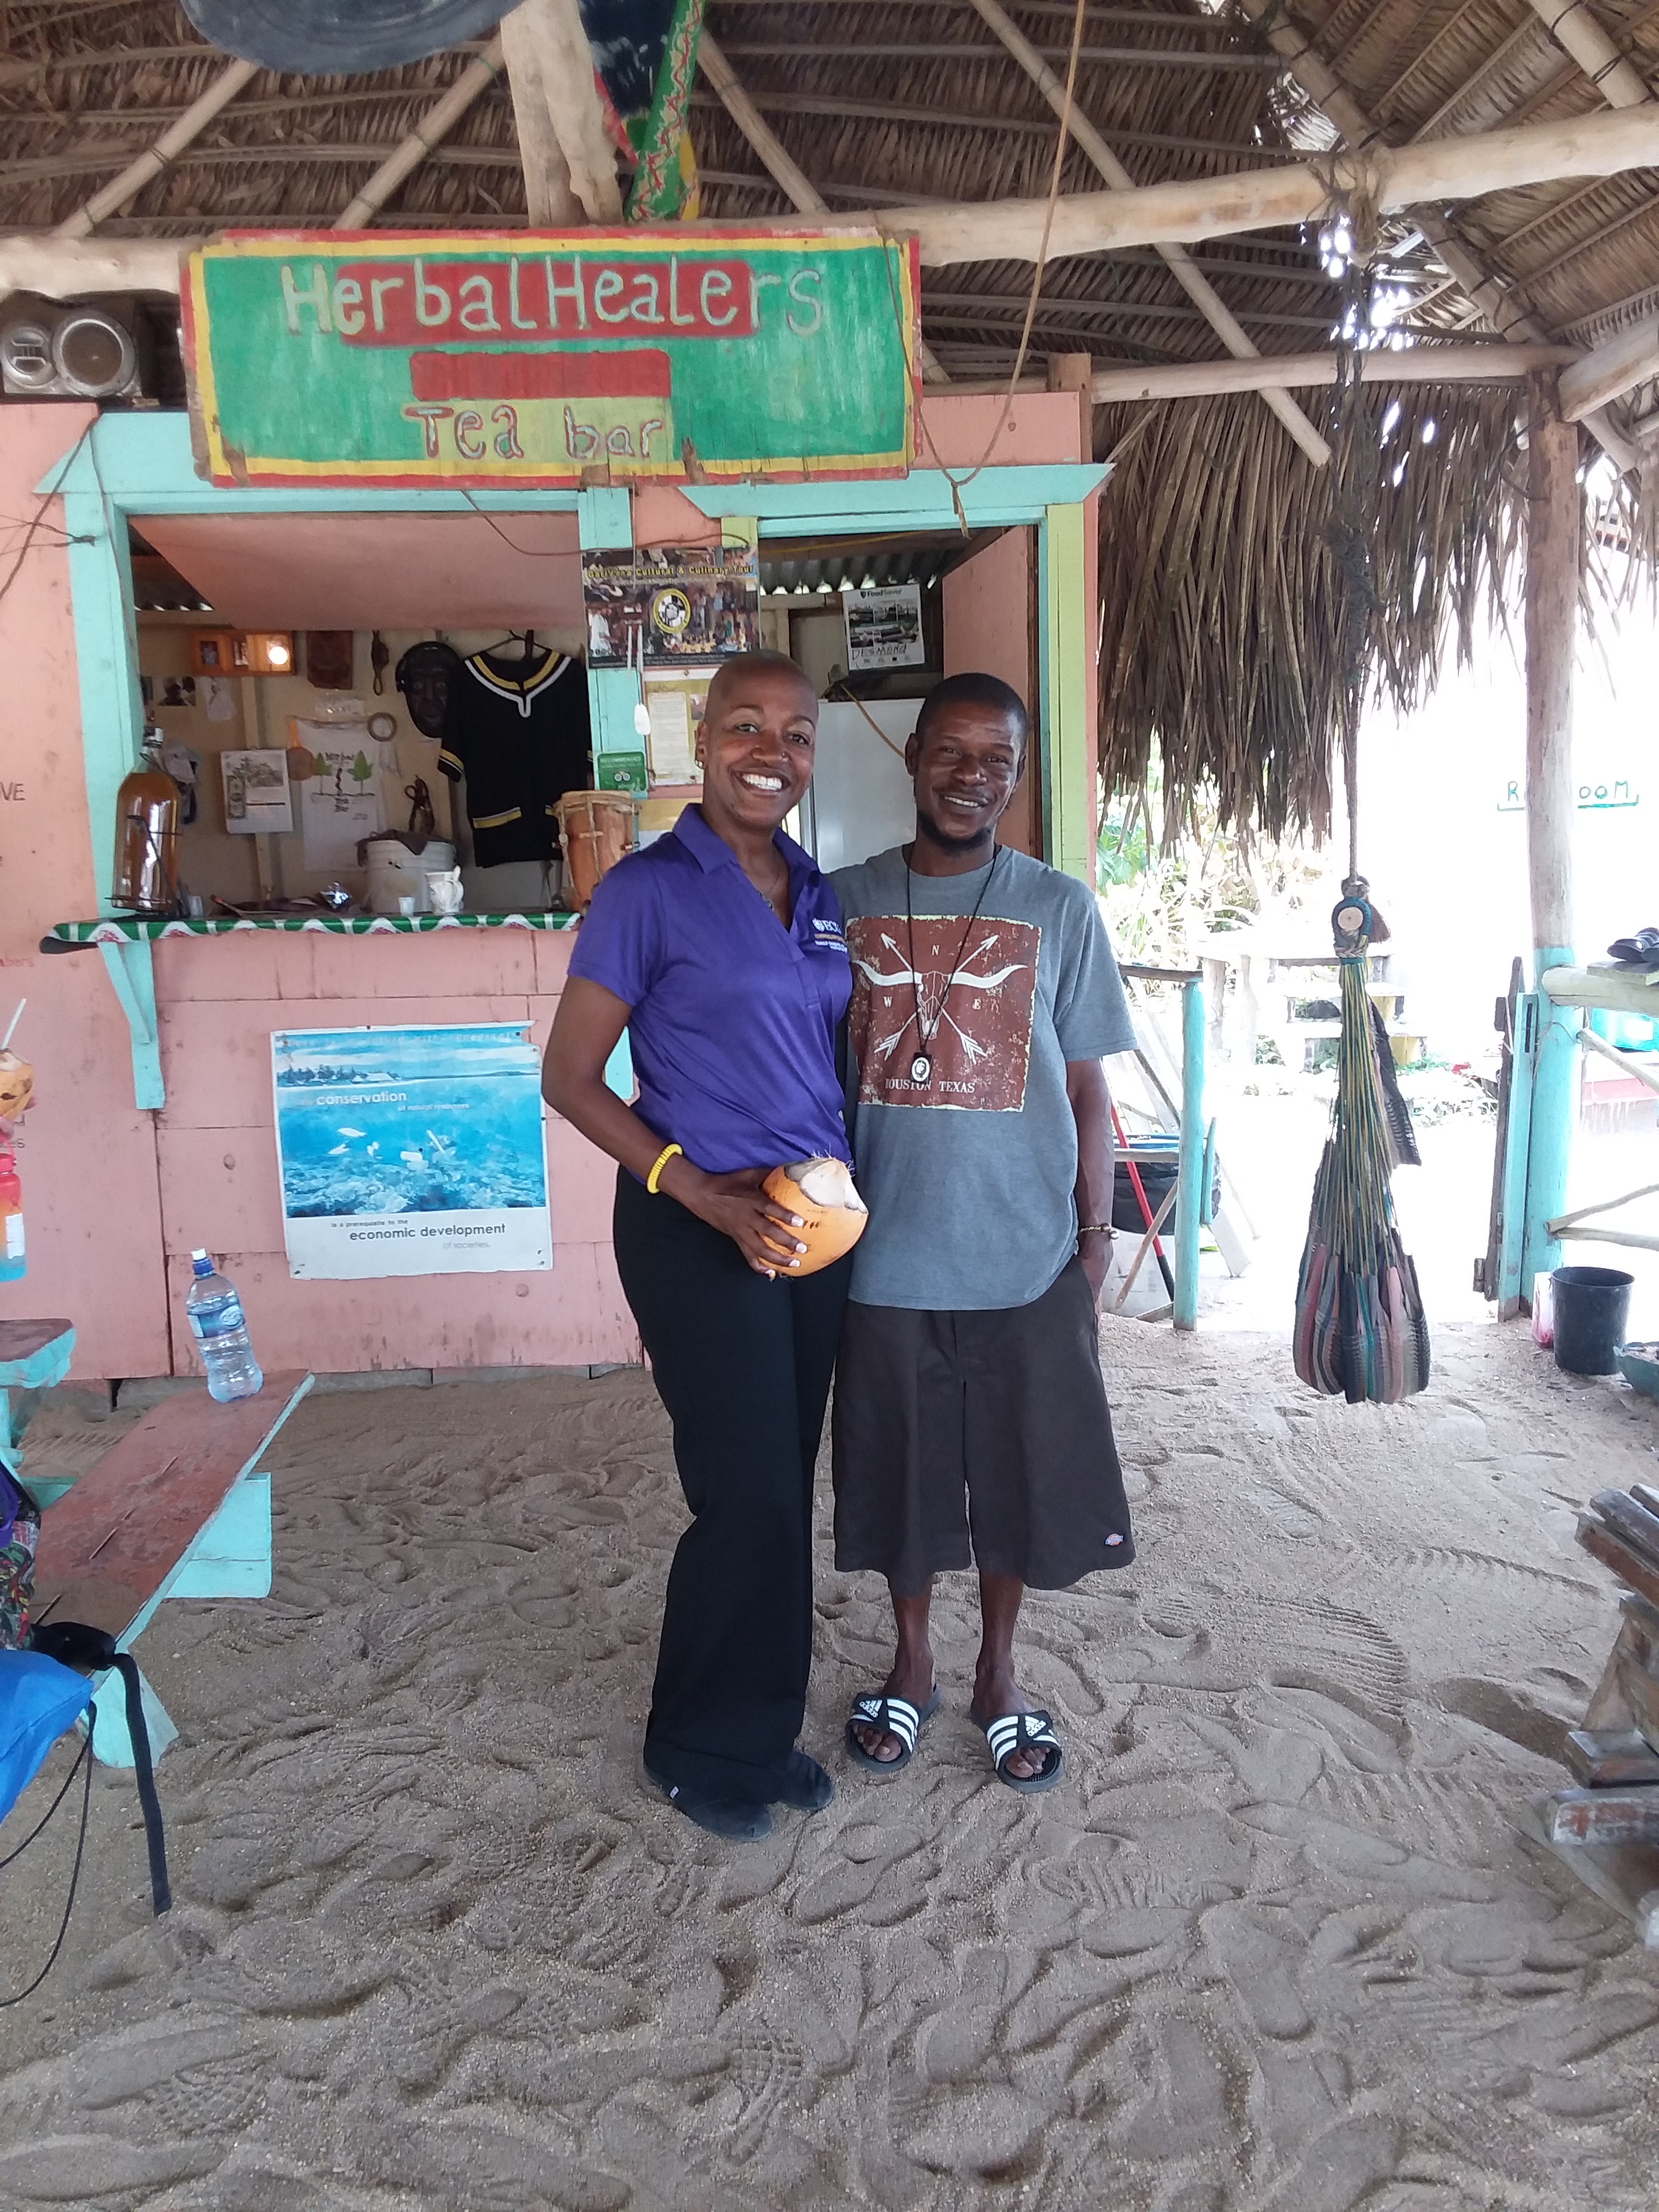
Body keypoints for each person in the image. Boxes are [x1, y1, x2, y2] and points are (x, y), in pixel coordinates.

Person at [542, 652, 854, 1843]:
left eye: (796, 733)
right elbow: (571, 1079)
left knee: (784, 1481)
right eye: (745, 726)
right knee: (745, 1490)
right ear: (704, 739)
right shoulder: (646, 890)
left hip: (805, 1226)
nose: (771, 752)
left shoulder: (818, 895)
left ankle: (760, 1732)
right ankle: (695, 1746)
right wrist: (699, 1191)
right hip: (693, 1220)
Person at [830, 671, 1137, 1795]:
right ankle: (911, 1665)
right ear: (913, 757)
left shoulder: (1060, 906)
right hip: (882, 1257)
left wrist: (1094, 1234)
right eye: (952, 753)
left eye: (996, 760)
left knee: (1018, 1471)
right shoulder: (844, 900)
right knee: (901, 1475)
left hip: (1026, 1256)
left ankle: (997, 1674)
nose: (971, 777)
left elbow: (1088, 1087)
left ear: (1015, 776)